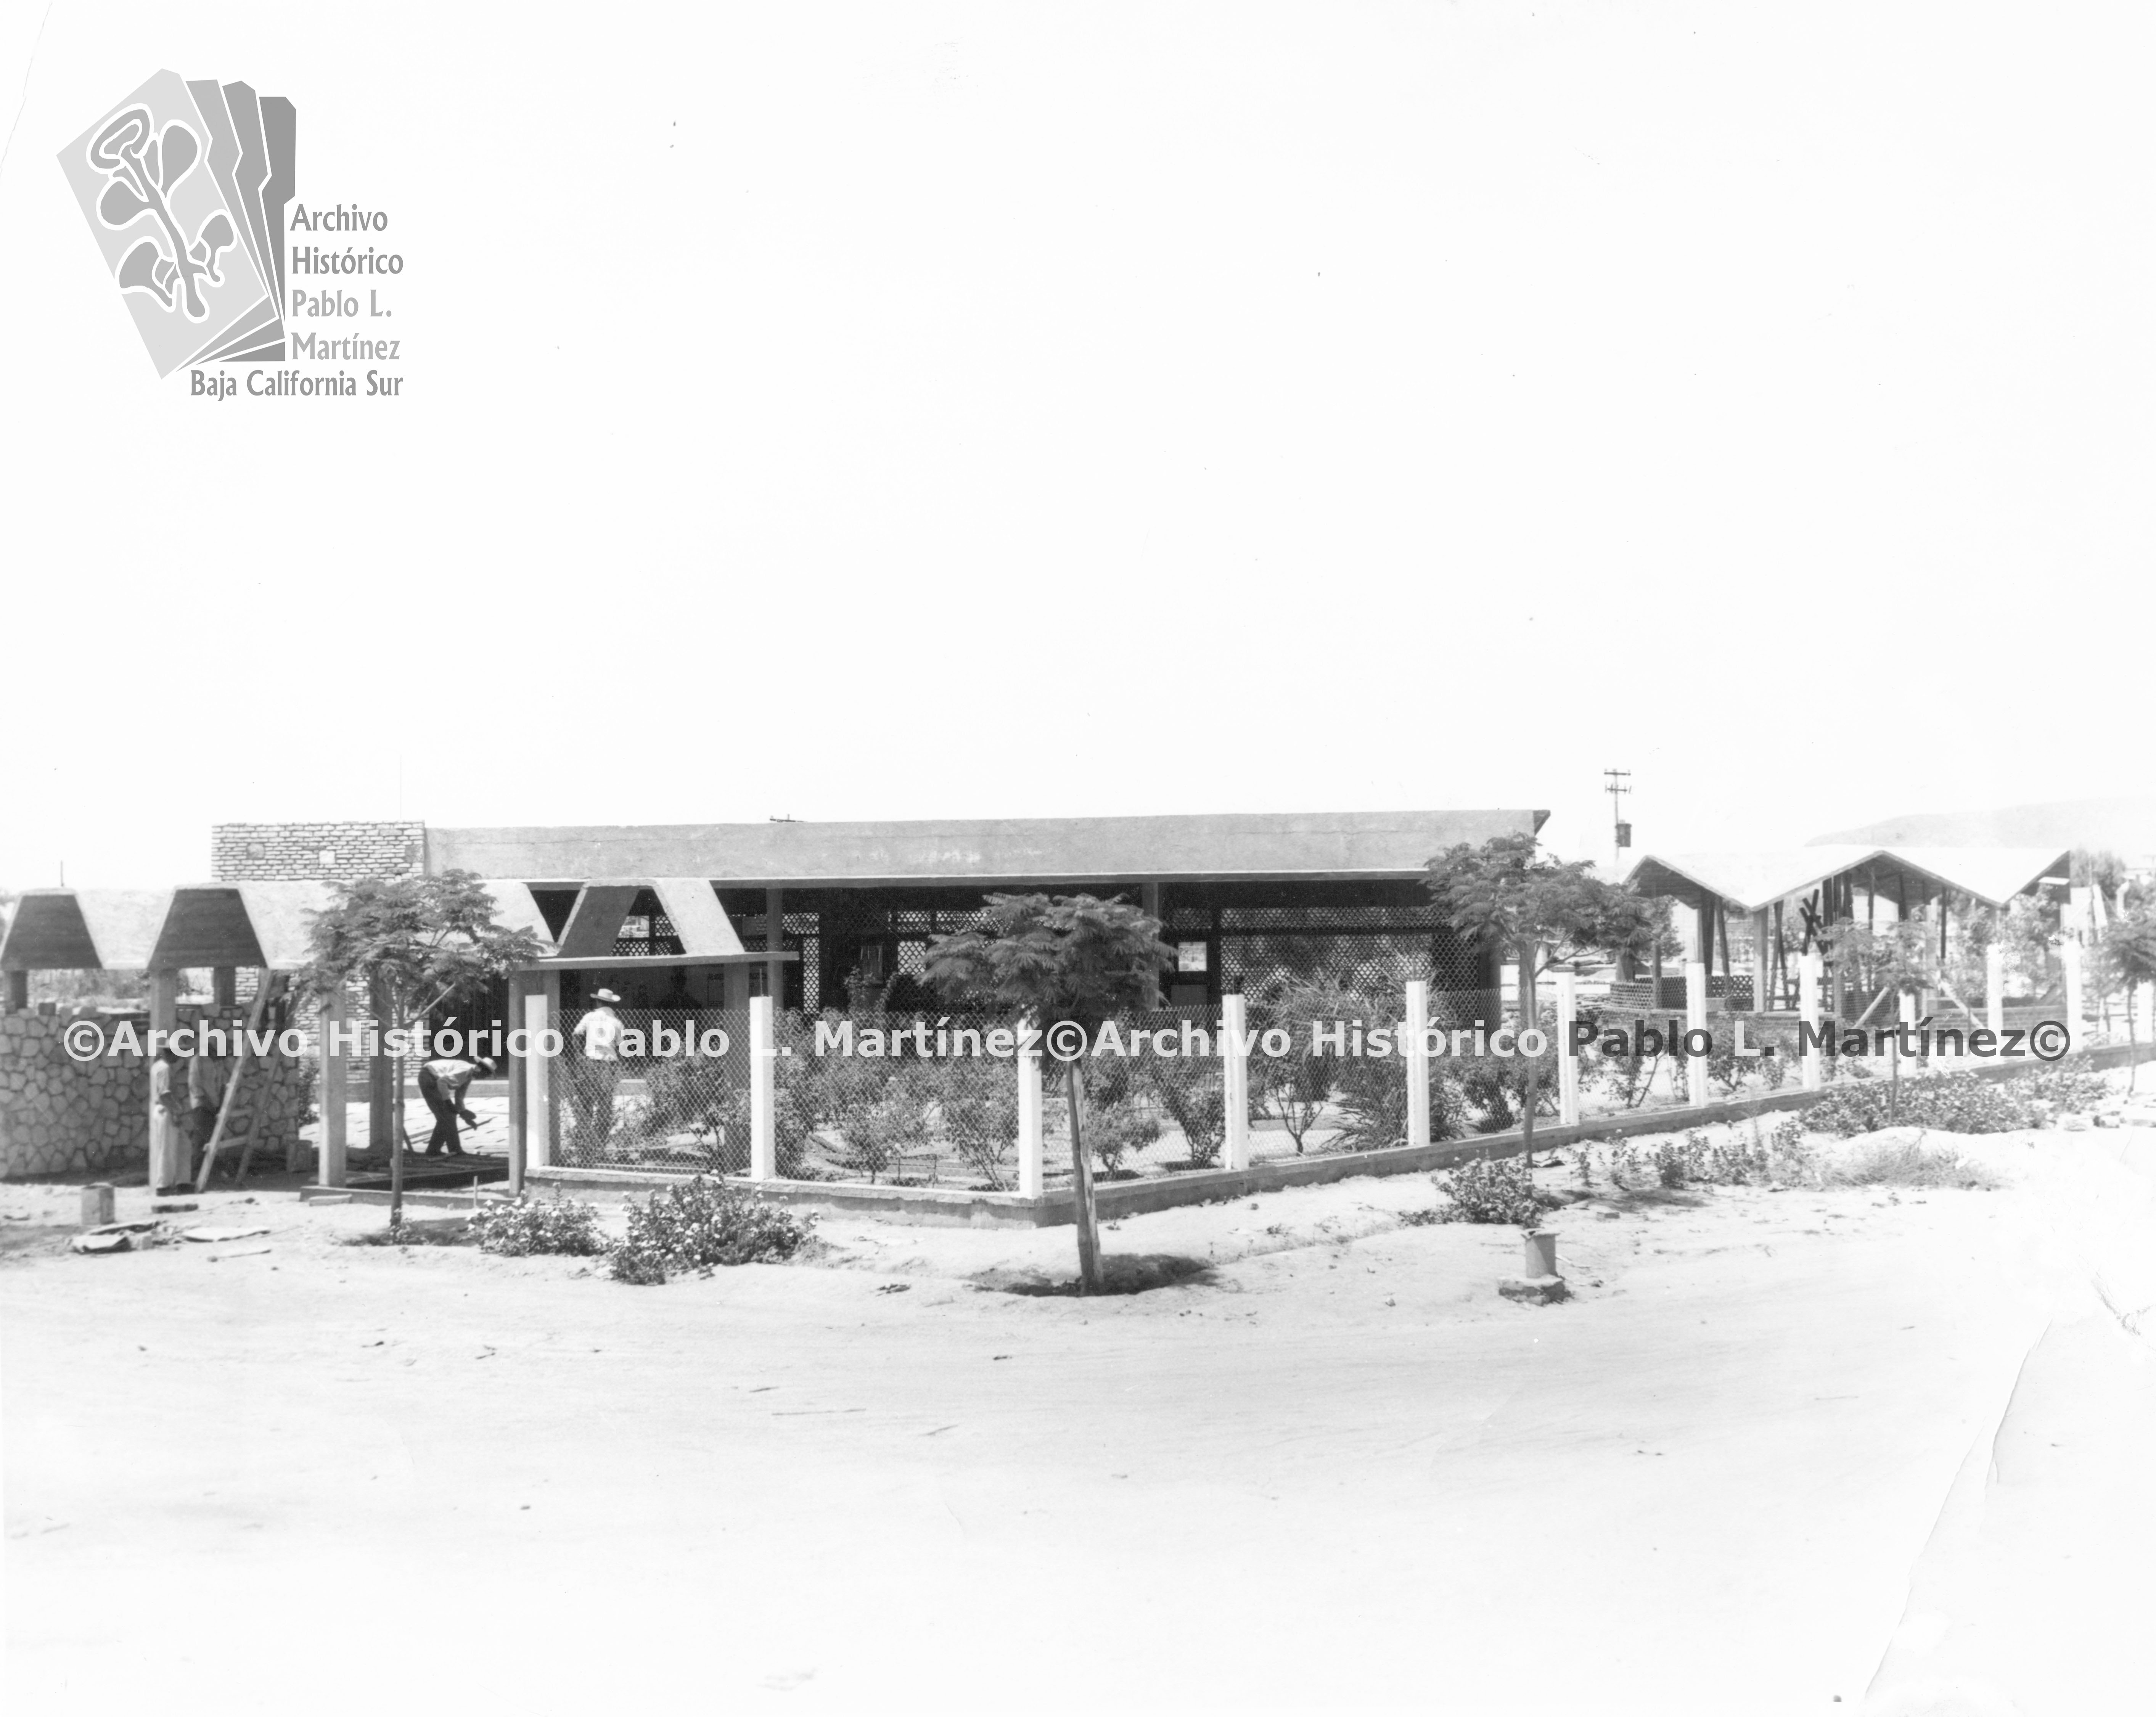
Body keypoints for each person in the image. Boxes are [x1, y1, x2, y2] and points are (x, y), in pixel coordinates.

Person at [569, 988, 625, 1158]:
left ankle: (584, 1140)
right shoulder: (617, 1022)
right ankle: (601, 1141)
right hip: (608, 1063)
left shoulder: (589, 1017)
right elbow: (622, 1046)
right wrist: (621, 1064)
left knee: (586, 1101)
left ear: (599, 1002)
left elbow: (576, 1034)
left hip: (590, 1061)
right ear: (611, 1004)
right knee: (605, 1103)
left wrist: (579, 1056)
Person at [417, 1053, 494, 1156]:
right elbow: (442, 1082)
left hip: (433, 1078)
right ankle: (440, 1150)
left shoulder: (468, 1077)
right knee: (446, 1117)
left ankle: (451, 1150)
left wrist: (464, 1115)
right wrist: (448, 1102)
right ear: (479, 1070)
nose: (484, 1078)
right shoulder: (464, 1070)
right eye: (485, 1076)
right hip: (428, 1077)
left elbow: (460, 1096)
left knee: (448, 1117)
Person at [148, 1046, 190, 1193]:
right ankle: (163, 1185)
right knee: (168, 1148)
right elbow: (164, 1094)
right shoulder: (164, 1068)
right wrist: (175, 1112)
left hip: (166, 1110)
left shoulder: (160, 1067)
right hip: (166, 1110)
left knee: (184, 1145)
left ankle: (182, 1182)